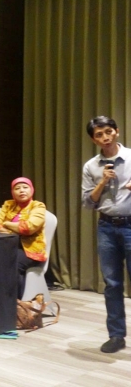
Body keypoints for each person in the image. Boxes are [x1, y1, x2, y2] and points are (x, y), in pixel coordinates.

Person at [82, 116, 131, 354]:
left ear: (117, 132)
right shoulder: (91, 166)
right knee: (112, 284)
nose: (105, 137)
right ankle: (116, 335)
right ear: (94, 140)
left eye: (108, 132)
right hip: (106, 227)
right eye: (99, 135)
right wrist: (102, 182)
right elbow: (87, 202)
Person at [0, 177, 46, 299]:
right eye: (17, 188)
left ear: (32, 190)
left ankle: (16, 302)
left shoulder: (38, 206)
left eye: (25, 187)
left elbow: (29, 227)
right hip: (8, 245)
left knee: (12, 263)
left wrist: (6, 224)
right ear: (12, 192)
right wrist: (15, 228)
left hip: (30, 250)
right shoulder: (8, 204)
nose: (21, 190)